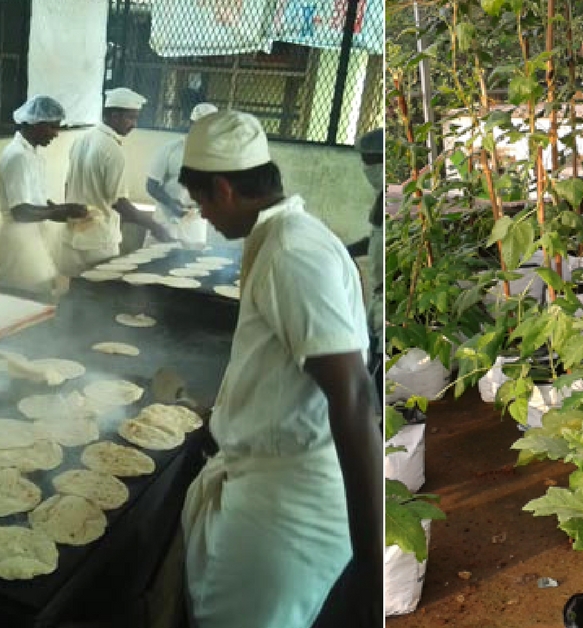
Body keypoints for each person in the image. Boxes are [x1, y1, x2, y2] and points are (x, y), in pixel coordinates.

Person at [178, 110, 382, 627]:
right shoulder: (279, 238)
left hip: (288, 504)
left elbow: (355, 395)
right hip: (268, 483)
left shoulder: (293, 251)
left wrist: (371, 564)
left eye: (201, 200)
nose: (202, 214)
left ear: (223, 189)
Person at [62, 87, 173, 274]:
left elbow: (68, 186)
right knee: (100, 296)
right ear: (114, 116)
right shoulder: (113, 150)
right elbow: (119, 203)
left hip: (71, 237)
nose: (134, 124)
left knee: (75, 293)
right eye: (130, 118)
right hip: (98, 242)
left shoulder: (82, 139)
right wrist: (155, 226)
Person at [0, 96, 88, 294]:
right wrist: (59, 210)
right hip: (19, 239)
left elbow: (33, 199)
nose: (56, 134)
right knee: (23, 298)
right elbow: (20, 211)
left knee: (40, 293)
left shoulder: (30, 154)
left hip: (32, 236)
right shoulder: (18, 157)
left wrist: (59, 210)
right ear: (35, 124)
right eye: (52, 127)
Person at [145, 102, 219, 248]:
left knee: (191, 264)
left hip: (195, 222)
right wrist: (172, 204)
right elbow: (151, 185)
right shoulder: (170, 150)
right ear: (190, 124)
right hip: (166, 219)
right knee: (156, 261)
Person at [355, 128, 385, 397]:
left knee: (380, 365)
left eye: (372, 161)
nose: (367, 168)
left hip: (386, 297)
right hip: (377, 296)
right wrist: (344, 249)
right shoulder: (380, 198)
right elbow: (375, 240)